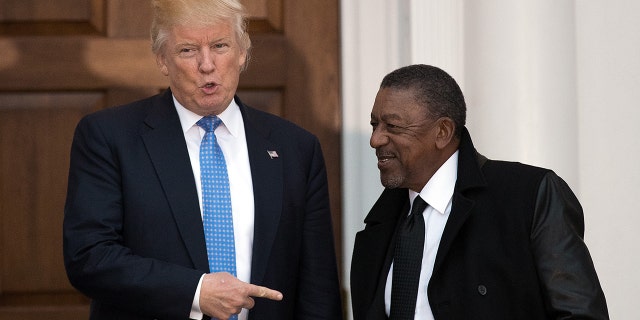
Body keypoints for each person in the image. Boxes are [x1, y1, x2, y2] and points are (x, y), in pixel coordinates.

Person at [63, 0, 343, 319]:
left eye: (220, 46)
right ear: (162, 59)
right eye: (188, 50)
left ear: (242, 53)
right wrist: (195, 291)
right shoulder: (110, 137)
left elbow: (317, 286)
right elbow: (89, 257)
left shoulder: (296, 148)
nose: (207, 64)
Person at [350, 64, 609, 319]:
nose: (376, 139)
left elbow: (581, 314)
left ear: (442, 132)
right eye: (375, 125)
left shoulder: (527, 196)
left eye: (392, 127)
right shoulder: (378, 228)